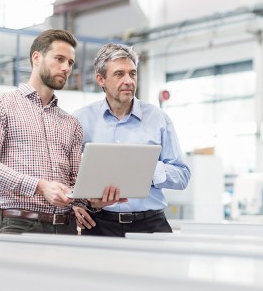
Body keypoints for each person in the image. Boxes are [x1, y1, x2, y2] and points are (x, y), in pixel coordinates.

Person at [0, 29, 124, 234]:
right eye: (59, 59)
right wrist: (39, 186)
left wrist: (94, 201)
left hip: (65, 228)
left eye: (70, 63)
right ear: (37, 58)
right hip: (20, 225)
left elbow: (75, 185)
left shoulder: (71, 123)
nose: (65, 68)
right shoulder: (1, 105)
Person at [73, 43, 190, 236]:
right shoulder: (81, 120)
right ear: (100, 79)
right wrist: (75, 205)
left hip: (151, 225)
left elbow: (182, 175)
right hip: (100, 225)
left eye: (132, 73)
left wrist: (146, 169)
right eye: (119, 74)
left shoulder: (158, 118)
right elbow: (66, 173)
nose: (128, 80)